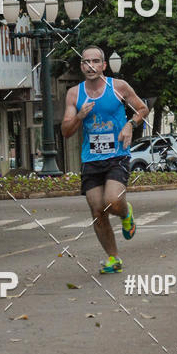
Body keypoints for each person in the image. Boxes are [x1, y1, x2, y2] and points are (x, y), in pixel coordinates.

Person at [61, 46, 149, 273]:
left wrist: (130, 124)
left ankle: (125, 212)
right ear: (81, 66)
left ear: (103, 65)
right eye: (85, 62)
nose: (90, 66)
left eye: (95, 61)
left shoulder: (118, 87)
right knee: (97, 210)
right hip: (91, 159)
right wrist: (80, 116)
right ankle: (113, 258)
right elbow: (65, 131)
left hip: (117, 155)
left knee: (112, 201)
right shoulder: (74, 93)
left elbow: (142, 108)